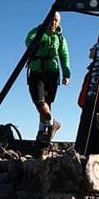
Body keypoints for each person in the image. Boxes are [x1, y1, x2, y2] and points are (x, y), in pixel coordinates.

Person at [26, 11, 70, 142]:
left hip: (52, 72)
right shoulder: (38, 31)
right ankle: (51, 122)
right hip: (37, 70)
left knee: (47, 102)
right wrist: (37, 44)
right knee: (39, 101)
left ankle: (42, 130)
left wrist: (67, 74)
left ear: (59, 22)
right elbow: (28, 40)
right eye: (51, 20)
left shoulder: (60, 37)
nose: (53, 23)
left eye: (56, 20)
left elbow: (64, 56)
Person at [74, 43, 99, 156]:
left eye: (93, 48)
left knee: (98, 139)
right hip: (89, 106)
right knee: (85, 137)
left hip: (98, 108)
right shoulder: (94, 68)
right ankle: (84, 160)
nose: (90, 49)